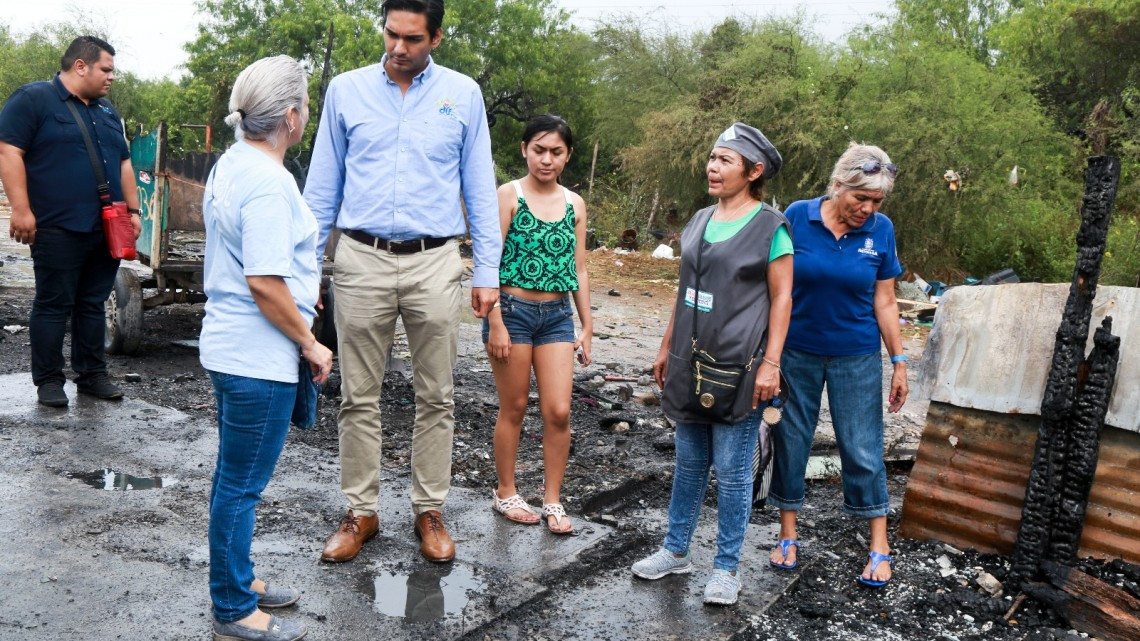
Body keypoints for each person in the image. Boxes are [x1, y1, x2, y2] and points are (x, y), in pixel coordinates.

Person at [305, 0, 501, 564]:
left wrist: (486, 271)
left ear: (436, 37)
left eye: (412, 39)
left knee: (436, 393)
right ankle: (360, 510)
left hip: (435, 261)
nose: (397, 48)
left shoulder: (462, 95)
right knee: (357, 394)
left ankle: (428, 509)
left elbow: (479, 189)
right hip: (360, 258)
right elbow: (322, 188)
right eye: (391, 34)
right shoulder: (346, 91)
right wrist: (305, 271)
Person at [630, 123, 793, 606]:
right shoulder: (701, 218)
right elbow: (685, 293)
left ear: (754, 170)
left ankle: (726, 567)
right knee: (689, 463)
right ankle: (675, 550)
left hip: (738, 365)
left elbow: (783, 298)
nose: (712, 166)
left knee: (733, 468)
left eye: (725, 160)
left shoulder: (770, 228)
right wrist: (665, 347)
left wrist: (772, 363)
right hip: (688, 358)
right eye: (712, 157)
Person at [199, 55, 333, 641]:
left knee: (234, 477)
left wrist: (303, 297)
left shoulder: (232, 163)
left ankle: (241, 578)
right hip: (258, 357)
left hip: (231, 349)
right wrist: (311, 342)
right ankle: (231, 605)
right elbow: (263, 282)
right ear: (291, 117)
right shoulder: (270, 182)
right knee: (242, 483)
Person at [766, 143, 908, 588]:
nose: (867, 209)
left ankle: (879, 544)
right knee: (792, 439)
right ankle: (788, 534)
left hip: (857, 355)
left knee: (862, 447)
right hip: (797, 352)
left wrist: (899, 361)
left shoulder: (881, 231)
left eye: (876, 202)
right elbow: (778, 287)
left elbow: (885, 301)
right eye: (859, 198)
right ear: (837, 185)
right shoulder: (797, 216)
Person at [0, 35, 141, 407]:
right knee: (53, 303)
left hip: (106, 228)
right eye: (106, 69)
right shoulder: (33, 99)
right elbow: (9, 150)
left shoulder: (108, 112)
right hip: (57, 225)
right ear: (81, 66)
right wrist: (21, 209)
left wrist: (133, 211)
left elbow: (125, 163)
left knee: (92, 303)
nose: (111, 77)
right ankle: (48, 381)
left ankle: (92, 375)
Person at [485, 115, 591, 534]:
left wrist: (588, 324)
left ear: (568, 156)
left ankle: (552, 500)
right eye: (539, 150)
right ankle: (506, 491)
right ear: (525, 149)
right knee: (513, 407)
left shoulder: (574, 204)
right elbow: (489, 261)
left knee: (559, 411)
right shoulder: (508, 195)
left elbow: (579, 268)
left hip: (558, 317)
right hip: (512, 312)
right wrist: (494, 320)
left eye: (556, 152)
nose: (546, 159)